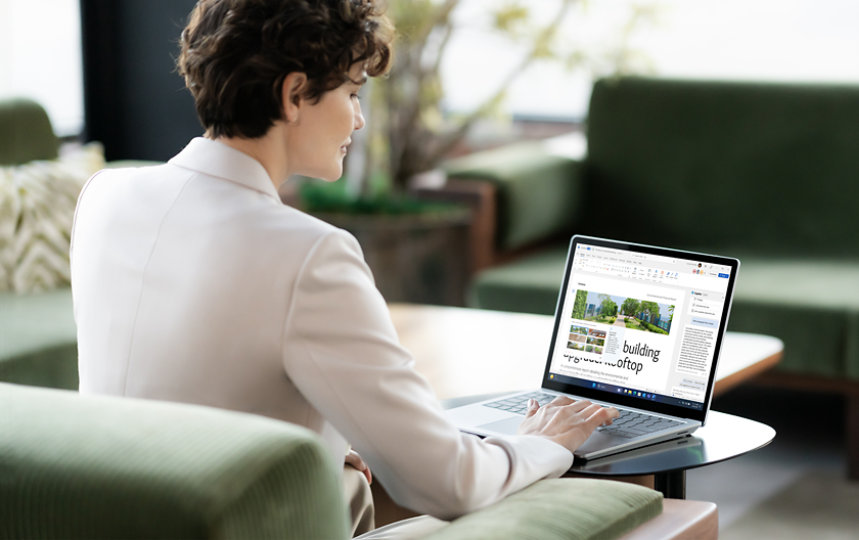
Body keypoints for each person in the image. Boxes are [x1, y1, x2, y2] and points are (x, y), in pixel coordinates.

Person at [70, 0, 618, 536]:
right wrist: (542, 442)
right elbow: (449, 483)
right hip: (245, 523)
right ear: (294, 94)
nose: (358, 118)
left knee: (355, 480)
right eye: (353, 92)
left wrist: (319, 447)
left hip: (117, 517)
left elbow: (177, 388)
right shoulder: (307, 252)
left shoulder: (104, 196)